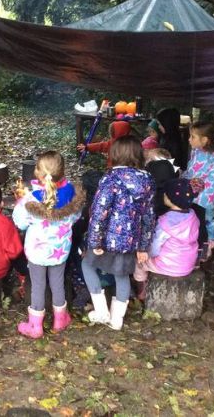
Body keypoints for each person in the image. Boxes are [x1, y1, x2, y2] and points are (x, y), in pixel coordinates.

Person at [82, 136, 155, 330]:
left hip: (107, 239)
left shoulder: (110, 179)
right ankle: (117, 320)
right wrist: (143, 245)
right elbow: (149, 215)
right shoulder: (147, 179)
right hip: (131, 241)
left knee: (87, 265)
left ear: (114, 154)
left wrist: (95, 242)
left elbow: (99, 212)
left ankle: (101, 311)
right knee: (122, 276)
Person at [12, 151, 85, 339]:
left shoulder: (30, 200)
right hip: (60, 251)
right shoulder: (72, 196)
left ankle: (35, 326)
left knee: (37, 285)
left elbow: (19, 222)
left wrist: (19, 203)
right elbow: (76, 217)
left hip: (37, 253)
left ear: (38, 172)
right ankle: (60, 320)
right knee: (57, 282)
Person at [133, 178, 202, 299]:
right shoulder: (193, 216)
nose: (163, 194)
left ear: (171, 199)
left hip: (167, 266)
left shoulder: (165, 221)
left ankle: (141, 291)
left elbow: (155, 245)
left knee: (139, 263)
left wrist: (147, 255)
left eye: (166, 193)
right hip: (188, 264)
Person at [182, 121, 214, 258]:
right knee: (200, 221)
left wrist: (186, 179)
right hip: (198, 194)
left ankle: (205, 249)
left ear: (204, 140)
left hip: (205, 197)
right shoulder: (197, 151)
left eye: (192, 137)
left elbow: (205, 177)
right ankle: (197, 247)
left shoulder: (212, 156)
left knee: (205, 222)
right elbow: (192, 170)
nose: (189, 139)